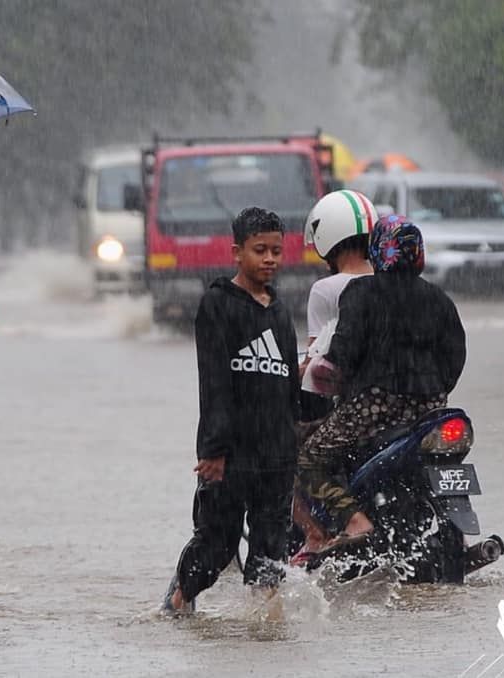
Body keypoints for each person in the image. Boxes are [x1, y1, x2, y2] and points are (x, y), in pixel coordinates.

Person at [292, 215, 466, 565]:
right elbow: (455, 358)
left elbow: (342, 355)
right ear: (418, 254)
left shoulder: (361, 293)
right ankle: (458, 544)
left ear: (377, 252)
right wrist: (430, 391)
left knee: (309, 458)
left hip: (374, 405)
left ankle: (355, 522)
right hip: (431, 410)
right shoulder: (439, 299)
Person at [162, 207, 300, 616]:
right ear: (237, 252)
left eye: (277, 250)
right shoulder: (217, 304)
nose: (270, 259)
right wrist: (214, 452)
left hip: (277, 455)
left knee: (270, 553)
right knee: (216, 545)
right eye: (260, 250)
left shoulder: (280, 310)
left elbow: (290, 384)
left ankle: (263, 629)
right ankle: (178, 602)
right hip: (232, 454)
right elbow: (214, 384)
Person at [291, 189, 376, 555]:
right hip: (399, 401)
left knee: (293, 455)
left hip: (349, 406)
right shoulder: (390, 281)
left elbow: (316, 359)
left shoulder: (326, 289)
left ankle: (316, 533)